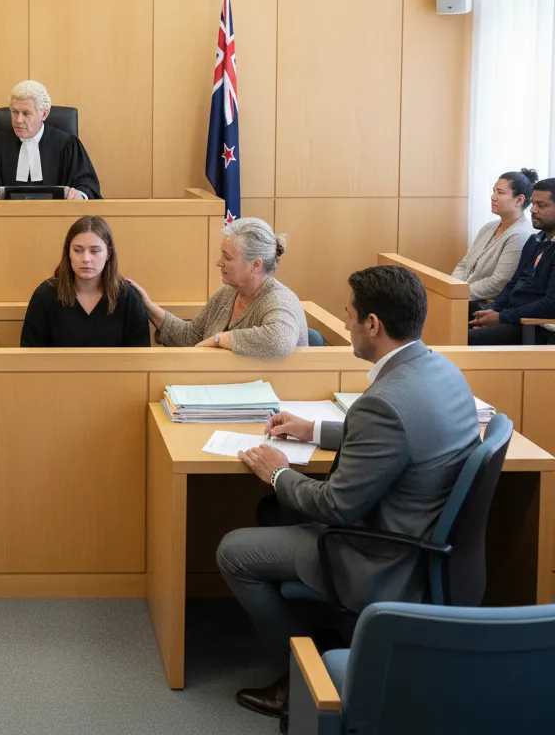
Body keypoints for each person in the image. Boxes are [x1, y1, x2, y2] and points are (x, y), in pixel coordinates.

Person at [216, 264, 479, 722]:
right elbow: (402, 437)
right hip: (424, 535)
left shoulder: (384, 402)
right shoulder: (439, 368)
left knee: (233, 551)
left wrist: (278, 473)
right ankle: (324, 634)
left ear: (372, 324)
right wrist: (314, 429)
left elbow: (335, 505)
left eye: (349, 314)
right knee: (272, 512)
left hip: (380, 552)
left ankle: (302, 676)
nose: (346, 322)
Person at [130, 217, 307, 358]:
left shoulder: (279, 299)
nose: (219, 262)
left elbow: (279, 340)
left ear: (256, 265)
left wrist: (221, 339)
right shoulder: (227, 293)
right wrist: (149, 308)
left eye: (227, 257)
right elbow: (191, 337)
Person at [20, 216, 150, 348]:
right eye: (78, 250)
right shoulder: (45, 295)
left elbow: (141, 356)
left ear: (108, 254)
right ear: (68, 252)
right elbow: (29, 354)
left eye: (95, 251)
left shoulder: (128, 297)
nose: (86, 258)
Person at [0, 80, 101, 200]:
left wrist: (79, 195)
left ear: (44, 114)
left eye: (26, 113)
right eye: (14, 112)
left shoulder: (67, 145)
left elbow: (87, 186)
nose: (18, 120)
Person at [469, 177, 555, 345]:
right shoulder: (535, 241)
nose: (533, 210)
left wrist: (501, 317)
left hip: (533, 325)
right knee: (458, 316)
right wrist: (492, 311)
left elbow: (550, 304)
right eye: (533, 204)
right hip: (512, 315)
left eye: (541, 205)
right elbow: (513, 283)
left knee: (463, 339)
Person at [452, 168, 536, 313]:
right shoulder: (488, 227)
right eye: (493, 191)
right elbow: (464, 264)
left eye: (500, 192)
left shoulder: (520, 235)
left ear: (519, 200)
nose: (493, 197)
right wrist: (452, 287)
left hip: (487, 307)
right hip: (465, 297)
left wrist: (459, 293)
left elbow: (499, 282)